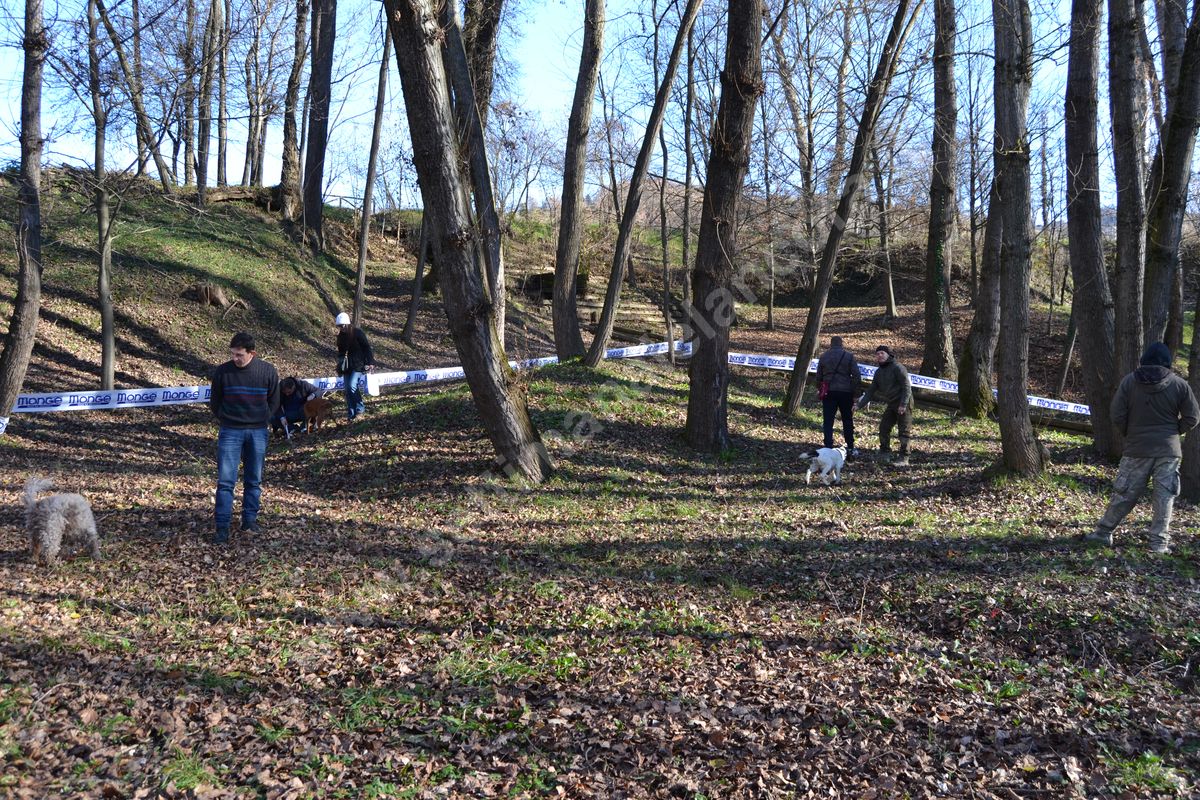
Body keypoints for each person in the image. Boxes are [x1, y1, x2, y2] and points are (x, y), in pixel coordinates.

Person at [1085, 342, 1199, 554]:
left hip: (1137, 448)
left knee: (1125, 493)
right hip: (1168, 450)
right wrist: (1174, 432)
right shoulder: (1180, 384)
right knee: (1164, 497)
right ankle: (1158, 544)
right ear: (1167, 362)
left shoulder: (1129, 382)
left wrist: (1130, 432)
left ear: (1144, 360)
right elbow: (1193, 417)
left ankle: (1103, 533)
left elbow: (1117, 413)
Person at [209, 332, 280, 544]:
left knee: (253, 480)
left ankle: (249, 520)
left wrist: (264, 419)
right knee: (225, 481)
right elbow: (215, 401)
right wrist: (226, 417)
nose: (235, 358)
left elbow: (275, 400)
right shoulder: (223, 372)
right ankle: (222, 527)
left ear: (252, 353)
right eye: (232, 354)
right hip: (230, 430)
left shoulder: (267, 371)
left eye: (239, 355)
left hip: (257, 431)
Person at [856, 345, 913, 465]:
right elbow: (871, 391)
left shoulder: (898, 367)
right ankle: (885, 453)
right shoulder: (878, 372)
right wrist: (859, 405)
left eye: (882, 353)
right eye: (877, 354)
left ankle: (904, 457)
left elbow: (906, 387)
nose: (879, 355)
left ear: (888, 355)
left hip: (904, 402)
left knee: (904, 431)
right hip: (892, 403)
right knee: (884, 428)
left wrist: (903, 404)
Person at [816, 336, 862, 456]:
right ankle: (850, 446)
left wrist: (819, 389)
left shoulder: (824, 356)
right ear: (842, 344)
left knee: (828, 421)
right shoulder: (849, 356)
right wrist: (855, 393)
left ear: (830, 344)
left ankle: (828, 446)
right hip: (846, 392)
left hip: (829, 392)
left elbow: (818, 377)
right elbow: (857, 376)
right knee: (847, 420)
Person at [335, 311, 375, 421]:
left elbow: (366, 348)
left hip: (358, 364)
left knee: (352, 385)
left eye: (342, 325)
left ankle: (360, 410)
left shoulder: (358, 333)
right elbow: (340, 353)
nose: (341, 328)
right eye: (339, 326)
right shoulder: (340, 336)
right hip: (346, 366)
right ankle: (351, 413)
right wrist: (339, 365)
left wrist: (370, 362)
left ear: (347, 324)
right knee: (347, 389)